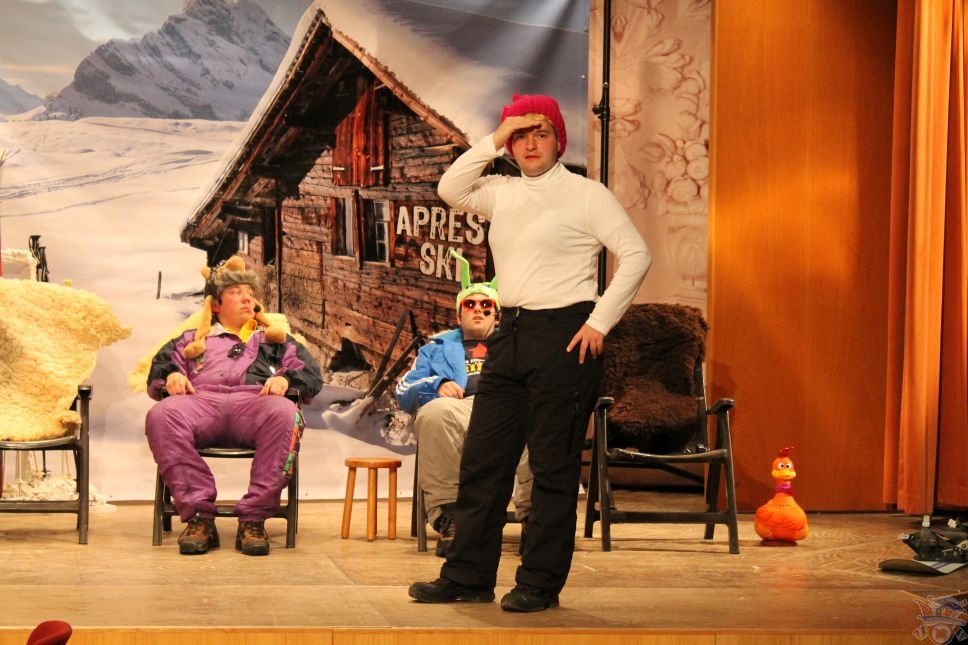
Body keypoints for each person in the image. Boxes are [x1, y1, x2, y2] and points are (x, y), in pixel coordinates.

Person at [408, 94, 651, 611]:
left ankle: (539, 583)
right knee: (484, 460)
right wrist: (495, 138)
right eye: (520, 135)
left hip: (564, 335)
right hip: (511, 333)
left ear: (559, 140)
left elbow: (636, 254)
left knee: (550, 468)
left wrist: (599, 321)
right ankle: (468, 576)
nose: (530, 144)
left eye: (541, 133)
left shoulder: (587, 194)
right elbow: (450, 188)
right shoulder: (502, 191)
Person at [144, 255, 323, 556]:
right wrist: (172, 375)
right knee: (162, 415)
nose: (247, 299)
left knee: (286, 413)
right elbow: (160, 367)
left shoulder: (275, 341)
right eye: (236, 292)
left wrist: (286, 379)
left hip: (255, 404)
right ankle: (199, 518)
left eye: (250, 294)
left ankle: (254, 519)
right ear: (215, 305)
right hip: (201, 402)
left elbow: (311, 375)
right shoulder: (191, 339)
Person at [396, 250, 532, 558]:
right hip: (460, 410)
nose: (478, 310)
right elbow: (402, 391)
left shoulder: (516, 344)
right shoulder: (436, 348)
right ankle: (452, 518)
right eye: (470, 305)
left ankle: (533, 519)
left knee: (537, 416)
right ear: (458, 316)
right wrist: (436, 384)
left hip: (507, 410)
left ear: (498, 315)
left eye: (486, 305)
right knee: (435, 412)